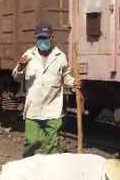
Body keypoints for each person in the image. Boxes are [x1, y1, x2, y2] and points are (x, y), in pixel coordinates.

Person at [12, 23, 81, 157]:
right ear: (35, 38)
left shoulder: (60, 56)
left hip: (53, 108)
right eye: (40, 38)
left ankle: (51, 172)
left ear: (52, 37)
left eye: (46, 38)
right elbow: (16, 77)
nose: (43, 41)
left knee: (52, 145)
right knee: (32, 141)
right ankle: (28, 165)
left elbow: (65, 77)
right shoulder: (28, 55)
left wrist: (74, 82)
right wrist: (20, 67)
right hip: (33, 108)